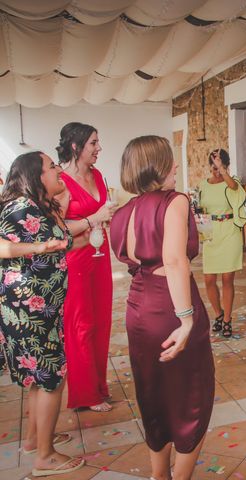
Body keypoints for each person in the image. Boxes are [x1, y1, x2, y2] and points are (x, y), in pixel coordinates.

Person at [110, 136, 214, 480]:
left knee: (153, 393)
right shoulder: (175, 201)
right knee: (191, 396)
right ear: (157, 166)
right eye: (171, 161)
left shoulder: (123, 213)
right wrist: (186, 320)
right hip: (171, 305)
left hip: (138, 308)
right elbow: (173, 259)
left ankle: (159, 475)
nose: (176, 167)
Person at [0, 151, 86, 477]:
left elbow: (61, 241)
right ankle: (45, 457)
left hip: (39, 306)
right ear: (35, 176)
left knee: (40, 375)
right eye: (52, 167)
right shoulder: (20, 207)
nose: (58, 170)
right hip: (29, 308)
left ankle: (36, 440)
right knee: (52, 376)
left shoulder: (36, 205)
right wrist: (39, 248)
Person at [56, 122, 117, 412]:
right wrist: (94, 219)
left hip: (100, 254)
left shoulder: (99, 175)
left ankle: (98, 387)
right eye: (93, 143)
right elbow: (59, 228)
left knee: (102, 321)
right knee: (81, 324)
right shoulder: (61, 183)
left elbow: (104, 211)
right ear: (75, 146)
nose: (98, 148)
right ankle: (85, 394)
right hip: (76, 259)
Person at [198, 148, 246, 338]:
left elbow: (234, 188)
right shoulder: (203, 185)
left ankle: (227, 319)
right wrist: (202, 232)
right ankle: (218, 314)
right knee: (209, 279)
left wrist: (223, 171)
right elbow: (202, 209)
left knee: (227, 279)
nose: (216, 170)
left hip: (229, 232)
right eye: (214, 167)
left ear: (226, 166)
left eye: (220, 167)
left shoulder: (232, 182)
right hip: (211, 233)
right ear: (210, 166)